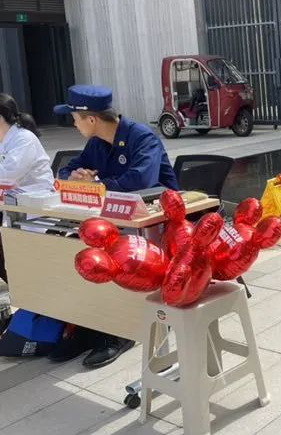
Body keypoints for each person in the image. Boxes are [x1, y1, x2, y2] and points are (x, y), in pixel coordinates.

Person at [50, 85, 179, 368]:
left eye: (75, 118)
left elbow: (141, 181)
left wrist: (96, 184)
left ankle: (120, 331)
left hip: (155, 223)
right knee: (70, 245)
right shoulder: (96, 143)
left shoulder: (141, 137)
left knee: (112, 256)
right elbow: (66, 169)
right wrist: (74, 176)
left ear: (91, 119)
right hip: (114, 220)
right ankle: (89, 324)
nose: (74, 124)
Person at [0, 94, 54, 334]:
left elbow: (7, 175)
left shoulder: (24, 139)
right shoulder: (5, 140)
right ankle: (28, 304)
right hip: (13, 210)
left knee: (19, 260)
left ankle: (38, 307)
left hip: (36, 212)